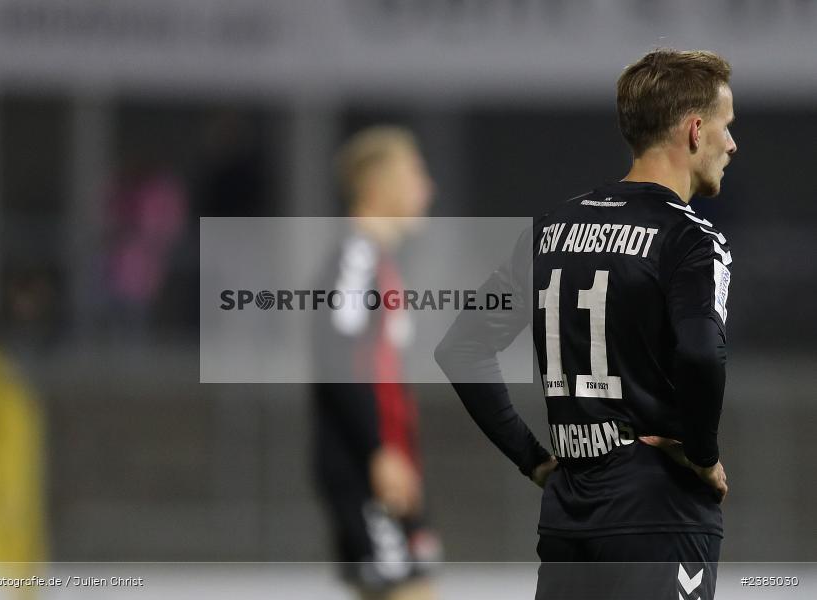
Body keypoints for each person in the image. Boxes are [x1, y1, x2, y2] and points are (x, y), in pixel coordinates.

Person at [435, 48, 736, 599]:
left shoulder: (550, 231)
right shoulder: (692, 240)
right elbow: (701, 353)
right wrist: (703, 455)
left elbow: (461, 347)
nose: (732, 145)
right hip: (660, 516)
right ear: (695, 131)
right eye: (726, 126)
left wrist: (533, 460)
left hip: (570, 517)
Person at [311, 126, 440, 600]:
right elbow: (336, 357)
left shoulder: (379, 261)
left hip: (387, 463)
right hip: (366, 465)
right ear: (375, 185)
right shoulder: (355, 258)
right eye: (414, 172)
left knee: (414, 587)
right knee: (408, 590)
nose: (428, 187)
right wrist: (377, 451)